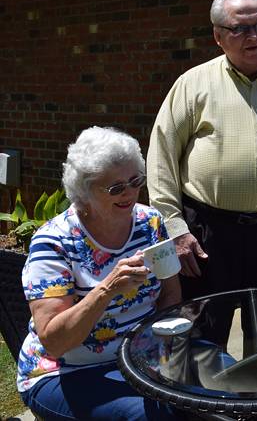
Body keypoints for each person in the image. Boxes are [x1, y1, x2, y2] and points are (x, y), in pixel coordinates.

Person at [147, 0, 257, 353]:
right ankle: (202, 408)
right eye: (241, 29)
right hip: (210, 234)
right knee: (204, 332)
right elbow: (160, 159)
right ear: (218, 35)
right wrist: (175, 229)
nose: (254, 36)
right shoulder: (192, 85)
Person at [17, 126, 182, 420]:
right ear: (84, 191)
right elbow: (55, 342)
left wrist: (164, 351)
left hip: (140, 356)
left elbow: (171, 294)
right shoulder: (53, 243)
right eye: (116, 188)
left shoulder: (149, 222)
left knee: (222, 383)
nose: (130, 193)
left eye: (135, 181)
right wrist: (106, 289)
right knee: (150, 416)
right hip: (65, 371)